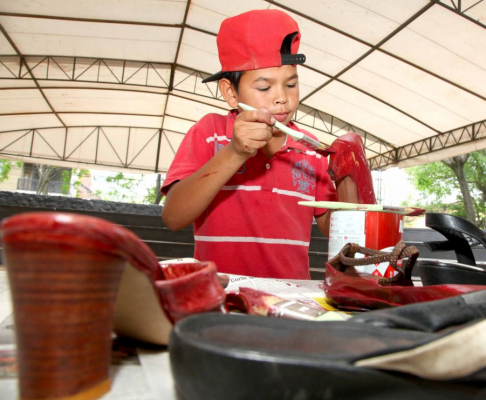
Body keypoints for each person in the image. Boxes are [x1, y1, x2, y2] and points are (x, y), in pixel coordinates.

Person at [161, 9, 357, 279]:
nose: (281, 98)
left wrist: (350, 176)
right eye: (264, 88)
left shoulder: (311, 152)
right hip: (223, 299)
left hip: (289, 301)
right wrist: (234, 152)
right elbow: (173, 217)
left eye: (291, 84)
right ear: (231, 93)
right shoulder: (210, 132)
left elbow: (339, 233)